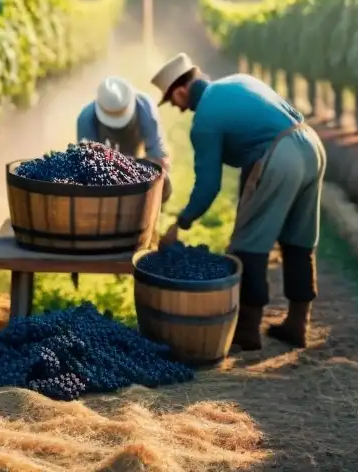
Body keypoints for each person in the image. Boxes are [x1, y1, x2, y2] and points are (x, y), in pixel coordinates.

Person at [152, 53, 325, 350]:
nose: (179, 110)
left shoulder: (204, 119)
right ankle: (298, 324)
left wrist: (181, 221)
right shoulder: (238, 81)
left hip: (281, 157)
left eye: (174, 103)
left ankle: (247, 330)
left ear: (180, 91)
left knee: (249, 242)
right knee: (299, 238)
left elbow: (208, 186)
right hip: (311, 146)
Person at [76, 76, 173, 203]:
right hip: (105, 157)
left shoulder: (146, 108)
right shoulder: (86, 119)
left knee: (163, 181)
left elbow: (158, 157)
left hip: (136, 148)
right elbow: (88, 166)